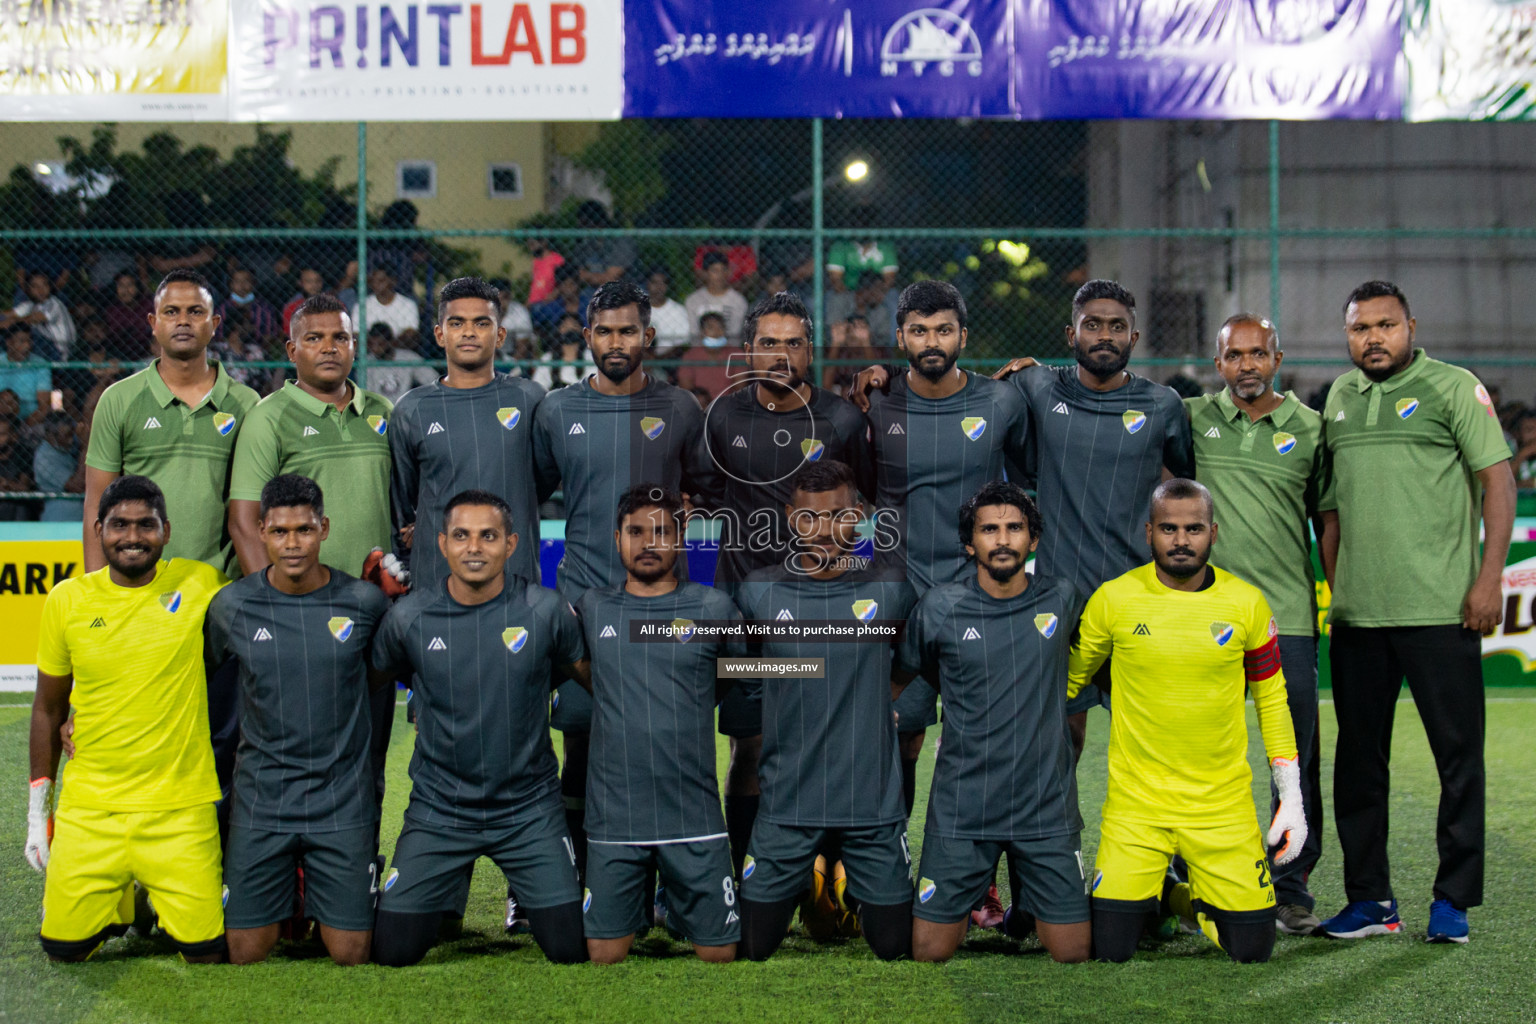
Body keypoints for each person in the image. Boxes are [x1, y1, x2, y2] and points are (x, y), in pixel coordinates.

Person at [1317, 281, 1515, 945]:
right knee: (1358, 766)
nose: (1372, 338)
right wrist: (1337, 588)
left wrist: (1489, 579)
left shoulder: (1455, 386)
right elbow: (1334, 509)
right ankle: (1370, 899)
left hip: (1442, 613)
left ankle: (1452, 900)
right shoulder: (1339, 398)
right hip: (1359, 619)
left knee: (1458, 762)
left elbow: (1498, 480)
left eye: (1385, 325)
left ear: (1410, 326)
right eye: (1359, 328)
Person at [1068, 478, 1303, 964]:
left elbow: (1272, 700)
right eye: (1169, 529)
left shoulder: (1248, 604)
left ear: (1213, 533)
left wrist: (1291, 796)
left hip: (1223, 809)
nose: (1181, 540)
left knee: (1253, 951)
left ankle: (1186, 900)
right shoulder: (1114, 599)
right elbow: (1065, 685)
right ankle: (1163, 895)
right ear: (1148, 532)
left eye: (1193, 528)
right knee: (1110, 949)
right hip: (1137, 807)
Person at [531, 281, 717, 886]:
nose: (616, 343)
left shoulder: (682, 408)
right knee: (581, 747)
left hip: (667, 608)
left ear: (649, 336)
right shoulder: (556, 411)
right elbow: (526, 492)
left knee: (671, 743)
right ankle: (570, 878)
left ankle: (673, 882)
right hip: (583, 606)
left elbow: (706, 489)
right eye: (604, 331)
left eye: (627, 331)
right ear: (587, 337)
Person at [863, 281, 1030, 923]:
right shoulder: (876, 401)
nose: (931, 342)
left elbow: (1031, 474)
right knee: (899, 742)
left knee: (984, 743)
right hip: (899, 598)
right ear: (900, 336)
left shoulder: (1003, 400)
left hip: (979, 601)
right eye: (918, 331)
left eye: (943, 330)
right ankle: (891, 870)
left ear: (963, 334)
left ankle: (983, 886)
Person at [694, 291, 874, 879]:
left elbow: (862, 504)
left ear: (809, 351)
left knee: (834, 742)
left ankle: (835, 875)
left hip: (827, 611)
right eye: (768, 343)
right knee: (751, 746)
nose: (780, 354)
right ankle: (741, 873)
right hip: (748, 617)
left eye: (793, 343)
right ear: (748, 350)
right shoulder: (723, 415)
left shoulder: (843, 420)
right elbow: (713, 495)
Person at [369, 490, 589, 966]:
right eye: (462, 536)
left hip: (528, 810)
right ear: (442, 544)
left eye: (488, 536)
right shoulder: (409, 617)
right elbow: (371, 682)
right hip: (440, 809)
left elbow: (598, 681)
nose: (474, 547)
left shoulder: (546, 610)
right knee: (392, 951)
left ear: (511, 544)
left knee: (569, 949)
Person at [83, 270, 262, 833]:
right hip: (139, 600)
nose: (183, 320)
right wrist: (102, 602)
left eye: (194, 311)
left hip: (220, 601)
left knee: (223, 740)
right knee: (143, 736)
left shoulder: (247, 402)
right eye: (172, 311)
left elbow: (250, 514)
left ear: (216, 322)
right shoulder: (120, 400)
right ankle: (139, 871)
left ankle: (218, 870)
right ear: (152, 323)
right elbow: (96, 508)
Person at [26, 476, 229, 962]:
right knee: (62, 948)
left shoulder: (200, 583)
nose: (132, 536)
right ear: (98, 529)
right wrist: (38, 815)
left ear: (166, 531)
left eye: (146, 525)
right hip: (92, 809)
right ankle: (119, 906)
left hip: (179, 809)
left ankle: (149, 897)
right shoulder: (67, 600)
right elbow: (48, 708)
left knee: (208, 953)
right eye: (119, 525)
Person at [896, 481, 1090, 963]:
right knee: (929, 951)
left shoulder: (1063, 599)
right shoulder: (940, 607)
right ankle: (969, 901)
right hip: (965, 805)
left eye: (1014, 528)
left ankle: (1028, 907)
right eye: (989, 529)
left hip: (1044, 805)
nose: (1002, 539)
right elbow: (904, 677)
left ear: (1033, 539)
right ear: (970, 543)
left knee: (1073, 952)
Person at [734, 460, 918, 962]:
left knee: (893, 947)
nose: (824, 530)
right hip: (787, 805)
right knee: (753, 946)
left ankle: (833, 876)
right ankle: (811, 881)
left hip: (871, 806)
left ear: (858, 516)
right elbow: (744, 668)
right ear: (791, 518)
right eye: (810, 518)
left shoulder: (891, 589)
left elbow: (904, 667)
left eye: (838, 516)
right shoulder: (758, 591)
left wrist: (870, 702)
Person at [205, 475, 391, 966]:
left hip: (340, 800)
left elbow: (381, 675)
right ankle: (289, 894)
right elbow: (193, 683)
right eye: (281, 532)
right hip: (263, 798)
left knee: (350, 953)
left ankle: (340, 883)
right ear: (261, 530)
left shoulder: (364, 603)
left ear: (324, 529)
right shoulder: (231, 607)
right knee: (245, 951)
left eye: (304, 530)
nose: (293, 544)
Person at [1186, 313, 1330, 936]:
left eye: (1258, 354)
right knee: (1193, 751)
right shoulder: (1190, 418)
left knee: (1292, 756)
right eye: (1234, 355)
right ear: (1217, 363)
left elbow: (1328, 518)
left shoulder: (1313, 430)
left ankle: (1292, 883)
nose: (1247, 365)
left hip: (1287, 617)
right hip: (1202, 616)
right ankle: (1191, 880)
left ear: (1278, 358)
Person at [575, 485, 742, 964]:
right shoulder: (593, 607)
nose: (649, 542)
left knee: (719, 954)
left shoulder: (713, 608)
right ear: (616, 538)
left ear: (681, 538)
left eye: (662, 531)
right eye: (636, 532)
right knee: (604, 955)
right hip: (615, 816)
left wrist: (687, 697)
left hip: (693, 814)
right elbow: (586, 672)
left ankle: (674, 905)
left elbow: (729, 673)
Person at [391, 276, 548, 591]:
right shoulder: (411, 409)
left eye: (481, 323)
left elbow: (542, 480)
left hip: (515, 582)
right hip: (435, 582)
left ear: (500, 334)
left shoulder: (530, 399)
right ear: (439, 333)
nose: (468, 332)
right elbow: (403, 502)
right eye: (457, 323)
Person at [4, 271, 77, 361]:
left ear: (50, 287)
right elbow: (6, 315)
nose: (41, 290)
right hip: (41, 348)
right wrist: (5, 320)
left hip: (58, 351)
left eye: (44, 285)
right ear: (28, 289)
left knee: (26, 333)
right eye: (35, 286)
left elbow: (32, 319)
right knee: (11, 336)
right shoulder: (30, 305)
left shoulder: (54, 303)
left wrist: (10, 321)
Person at [363, 322, 436, 406]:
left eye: (380, 344)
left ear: (390, 342)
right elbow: (368, 396)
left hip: (404, 409)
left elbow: (432, 379)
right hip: (378, 410)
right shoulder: (367, 362)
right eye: (371, 344)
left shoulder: (408, 358)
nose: (375, 349)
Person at [570, 201, 637, 287]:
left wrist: (587, 276)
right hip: (594, 291)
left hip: (623, 290)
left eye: (585, 223)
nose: (582, 228)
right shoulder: (588, 243)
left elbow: (611, 279)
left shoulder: (621, 240)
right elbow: (576, 273)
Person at [684, 252, 748, 342]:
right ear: (705, 273)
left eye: (723, 270)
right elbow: (694, 334)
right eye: (714, 271)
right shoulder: (693, 300)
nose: (720, 275)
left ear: (728, 272)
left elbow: (734, 335)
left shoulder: (738, 301)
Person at [34, 411, 82, 522]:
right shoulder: (44, 457)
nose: (71, 441)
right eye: (66, 436)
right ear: (51, 435)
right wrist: (85, 447)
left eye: (72, 435)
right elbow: (76, 486)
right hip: (60, 516)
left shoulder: (67, 450)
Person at [1, 325, 53, 426]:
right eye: (21, 341)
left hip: (30, 420)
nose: (27, 346)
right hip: (2, 419)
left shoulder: (40, 364)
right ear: (9, 343)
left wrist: (23, 427)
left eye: (29, 341)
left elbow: (44, 405)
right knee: (7, 398)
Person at [674, 312, 734, 397]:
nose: (716, 332)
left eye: (720, 327)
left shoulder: (735, 354)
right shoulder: (690, 355)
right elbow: (686, 389)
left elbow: (740, 388)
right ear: (702, 332)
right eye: (711, 328)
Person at [353, 267, 421, 340]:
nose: (375, 285)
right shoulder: (361, 305)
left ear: (393, 281)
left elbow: (411, 332)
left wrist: (387, 344)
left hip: (398, 348)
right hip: (369, 348)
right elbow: (356, 333)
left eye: (381, 281)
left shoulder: (408, 305)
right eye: (373, 281)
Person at [219, 268, 282, 345]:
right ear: (231, 284)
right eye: (237, 281)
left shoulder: (264, 308)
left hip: (257, 347)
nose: (241, 285)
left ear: (253, 283)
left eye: (246, 281)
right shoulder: (223, 308)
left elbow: (271, 334)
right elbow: (217, 334)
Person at [101, 272, 154, 360]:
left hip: (147, 351)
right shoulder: (111, 311)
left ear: (137, 287)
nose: (126, 290)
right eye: (121, 286)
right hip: (119, 353)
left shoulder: (148, 306)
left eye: (130, 285)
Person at [646, 267, 692, 356]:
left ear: (668, 286)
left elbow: (682, 345)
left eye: (663, 283)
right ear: (648, 283)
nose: (659, 287)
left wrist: (659, 361)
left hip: (669, 361)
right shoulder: (636, 309)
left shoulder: (678, 311)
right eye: (655, 282)